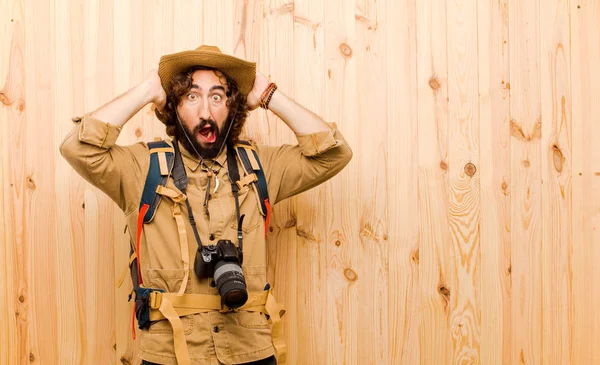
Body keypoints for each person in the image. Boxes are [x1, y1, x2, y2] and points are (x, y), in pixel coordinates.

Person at [60, 45, 352, 365]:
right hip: (170, 353)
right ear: (174, 106)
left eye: (217, 97)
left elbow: (334, 154)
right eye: (192, 96)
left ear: (233, 107)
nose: (206, 113)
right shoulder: (141, 167)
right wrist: (146, 91)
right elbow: (77, 147)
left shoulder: (260, 165)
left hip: (250, 350)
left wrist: (268, 94)